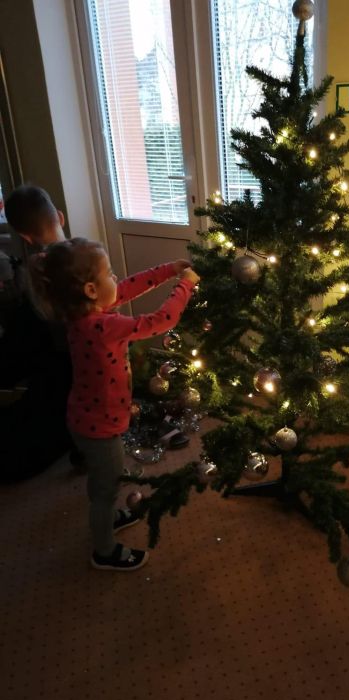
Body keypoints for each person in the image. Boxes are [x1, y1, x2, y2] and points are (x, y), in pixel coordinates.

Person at [28, 237, 200, 571]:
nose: (116, 278)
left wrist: (169, 270)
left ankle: (105, 514)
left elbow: (128, 287)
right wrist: (185, 285)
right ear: (91, 290)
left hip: (90, 419)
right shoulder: (102, 326)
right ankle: (104, 550)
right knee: (107, 487)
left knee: (104, 479)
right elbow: (161, 321)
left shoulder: (86, 313)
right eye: (109, 273)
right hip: (100, 428)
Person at [1, 185, 75, 480]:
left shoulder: (36, 273)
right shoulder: (90, 256)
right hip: (85, 367)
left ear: (25, 237)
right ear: (61, 217)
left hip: (60, 375)